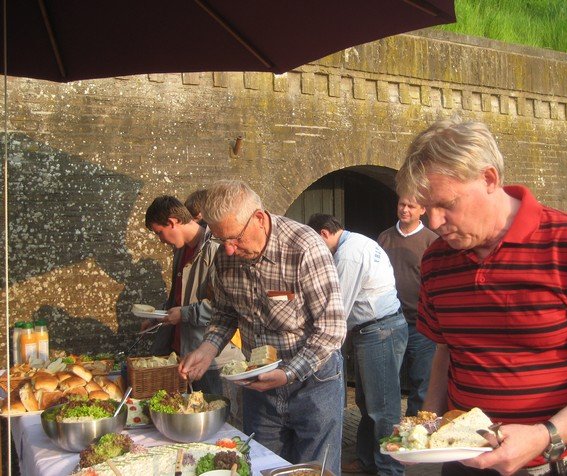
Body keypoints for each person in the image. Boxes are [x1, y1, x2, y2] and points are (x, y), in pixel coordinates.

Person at [395, 118, 567, 476]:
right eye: (426, 207)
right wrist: (429, 433)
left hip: (566, 463)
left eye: (445, 204)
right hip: (467, 462)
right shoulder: (436, 261)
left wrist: (545, 436)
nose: (434, 221)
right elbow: (447, 353)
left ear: (489, 179)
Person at [178, 180, 347, 475]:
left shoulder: (304, 248)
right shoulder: (224, 257)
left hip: (314, 383)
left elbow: (331, 329)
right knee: (260, 466)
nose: (228, 250)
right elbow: (225, 313)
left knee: (315, 470)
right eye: (220, 240)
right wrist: (207, 349)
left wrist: (288, 373)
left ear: (258, 217)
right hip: (259, 389)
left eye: (234, 238)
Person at [307, 214, 408, 476]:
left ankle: (390, 469)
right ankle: (368, 461)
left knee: (383, 409)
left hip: (380, 331)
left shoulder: (348, 255)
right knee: (368, 403)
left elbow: (337, 308)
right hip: (375, 330)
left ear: (324, 233)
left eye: (314, 242)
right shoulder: (357, 243)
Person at [144, 195, 242, 395]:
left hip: (213, 361)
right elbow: (180, 298)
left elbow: (228, 307)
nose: (161, 240)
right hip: (182, 356)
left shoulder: (217, 249)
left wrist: (184, 314)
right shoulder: (180, 250)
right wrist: (160, 317)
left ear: (173, 222)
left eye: (159, 233)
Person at [377, 195, 438, 416]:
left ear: (422, 209)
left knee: (422, 385)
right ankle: (386, 438)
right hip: (388, 322)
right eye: (402, 204)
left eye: (411, 206)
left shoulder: (432, 241)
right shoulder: (384, 238)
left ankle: (414, 437)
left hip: (420, 325)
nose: (405, 210)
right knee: (386, 384)